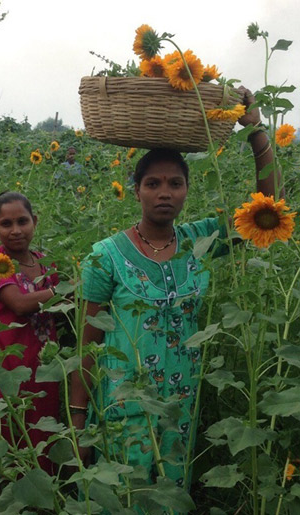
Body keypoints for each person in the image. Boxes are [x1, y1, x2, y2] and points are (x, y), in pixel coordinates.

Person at [69, 88, 279, 489]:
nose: (164, 192)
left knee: (169, 496)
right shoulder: (106, 255)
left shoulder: (201, 241)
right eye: (153, 183)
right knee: (125, 496)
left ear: (187, 189)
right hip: (123, 405)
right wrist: (78, 425)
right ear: (137, 190)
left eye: (175, 183)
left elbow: (270, 207)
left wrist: (256, 133)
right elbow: (87, 345)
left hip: (180, 408)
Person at [0, 191, 60, 473]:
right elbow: (20, 304)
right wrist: (64, 292)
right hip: (4, 366)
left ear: (34, 221)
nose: (15, 231)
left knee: (42, 433)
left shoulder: (47, 262)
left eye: (22, 221)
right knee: (5, 437)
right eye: (6, 224)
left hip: (43, 366)